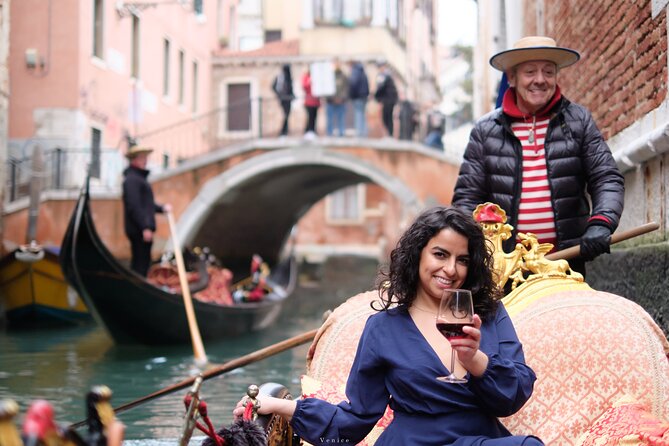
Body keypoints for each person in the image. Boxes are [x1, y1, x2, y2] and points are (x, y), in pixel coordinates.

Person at [233, 206, 541, 445]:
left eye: (462, 259)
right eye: (440, 254)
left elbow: (511, 398)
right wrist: (279, 405)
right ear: (417, 255)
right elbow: (355, 419)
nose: (451, 269)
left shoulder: (488, 314)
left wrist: (475, 360)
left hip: (480, 439)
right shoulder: (382, 329)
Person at [452, 36, 624, 276]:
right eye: (530, 72)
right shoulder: (485, 130)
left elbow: (606, 178)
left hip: (566, 264)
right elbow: (467, 200)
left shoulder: (579, 120)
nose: (540, 80)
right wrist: (480, 251)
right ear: (512, 78)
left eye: (548, 72)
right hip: (506, 270)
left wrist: (601, 223)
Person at [122, 145, 171, 276]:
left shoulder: (138, 179)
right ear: (134, 160)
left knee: (144, 262)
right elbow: (134, 206)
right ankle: (137, 287)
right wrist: (145, 227)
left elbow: (147, 204)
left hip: (141, 228)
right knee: (140, 263)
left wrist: (161, 208)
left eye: (145, 157)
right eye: (142, 158)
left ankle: (139, 283)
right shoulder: (132, 180)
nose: (145, 160)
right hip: (139, 229)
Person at [374, 60, 398, 137]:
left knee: (387, 118)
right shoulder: (387, 75)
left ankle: (389, 134)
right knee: (387, 118)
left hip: (388, 100)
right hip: (389, 100)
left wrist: (376, 97)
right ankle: (389, 134)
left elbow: (380, 88)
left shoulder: (384, 76)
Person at [325, 59, 349, 136]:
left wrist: (340, 98)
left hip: (341, 101)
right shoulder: (329, 75)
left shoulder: (343, 76)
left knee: (341, 119)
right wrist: (332, 98)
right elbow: (327, 88)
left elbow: (346, 88)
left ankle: (341, 133)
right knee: (330, 119)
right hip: (330, 101)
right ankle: (329, 134)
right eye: (335, 63)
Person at [272, 64, 295, 136]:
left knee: (287, 115)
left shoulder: (289, 77)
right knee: (285, 115)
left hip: (288, 99)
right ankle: (283, 131)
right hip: (283, 99)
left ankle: (285, 131)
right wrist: (280, 95)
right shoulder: (281, 77)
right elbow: (274, 87)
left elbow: (290, 89)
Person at [348, 60, 370, 137]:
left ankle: (359, 133)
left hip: (357, 97)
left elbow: (353, 84)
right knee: (363, 115)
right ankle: (364, 132)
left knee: (358, 114)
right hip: (364, 96)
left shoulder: (355, 72)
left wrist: (351, 95)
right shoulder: (363, 72)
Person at [302, 68, 320, 138]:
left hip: (316, 101)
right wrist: (310, 81)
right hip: (309, 101)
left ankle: (313, 130)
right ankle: (308, 131)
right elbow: (304, 86)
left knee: (314, 117)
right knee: (309, 116)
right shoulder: (306, 77)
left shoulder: (317, 77)